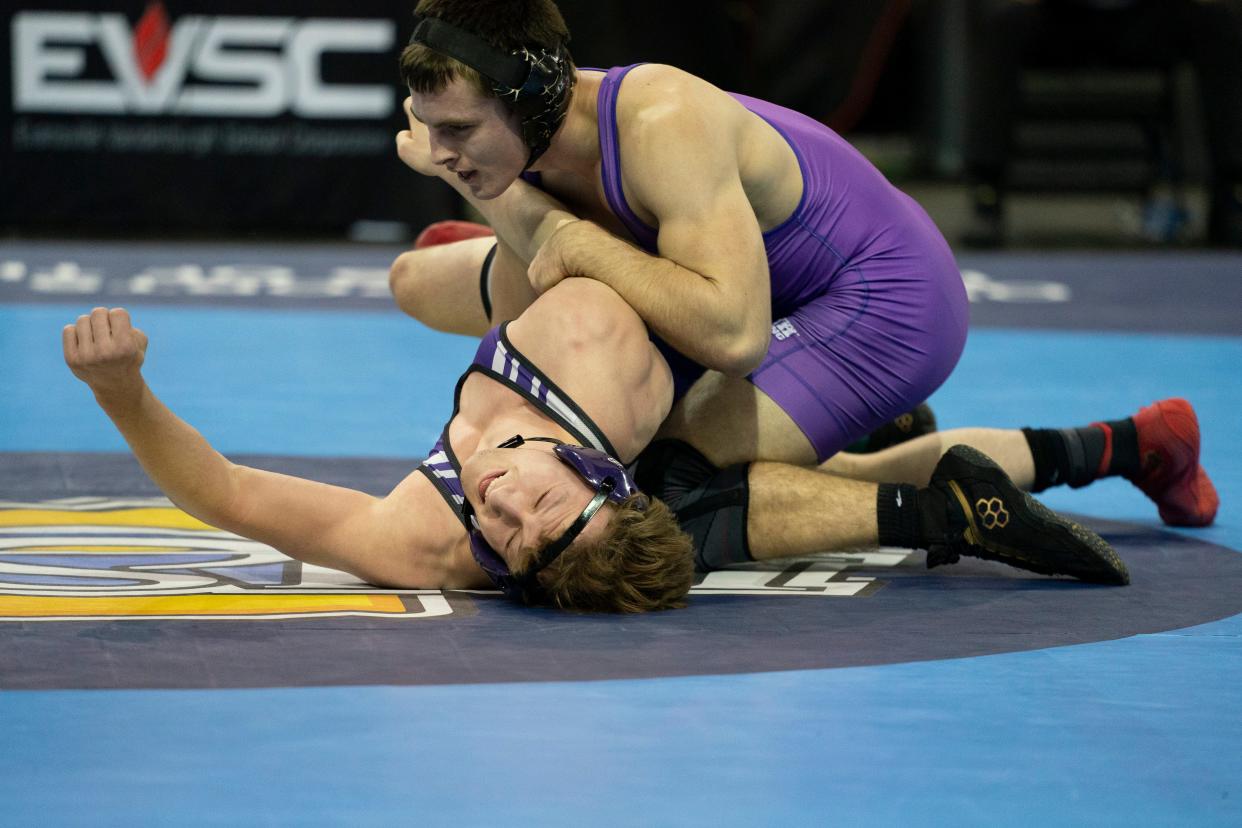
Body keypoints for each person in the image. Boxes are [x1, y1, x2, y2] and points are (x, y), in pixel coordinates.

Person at [386, 0, 1216, 577]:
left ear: (531, 101)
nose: (443, 151)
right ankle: (1135, 440)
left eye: (458, 131)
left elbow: (733, 335)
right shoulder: (534, 132)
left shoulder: (659, 123)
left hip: (882, 300)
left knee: (669, 478)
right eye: (431, 131)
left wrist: (548, 230)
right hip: (758, 285)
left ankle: (1002, 486)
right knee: (416, 279)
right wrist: (518, 209)